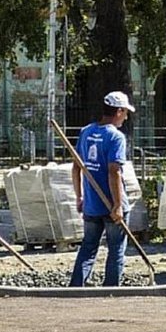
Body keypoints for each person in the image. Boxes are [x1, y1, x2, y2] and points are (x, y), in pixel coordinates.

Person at [70, 91, 135, 287]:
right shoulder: (116, 137)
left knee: (88, 247)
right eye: (125, 113)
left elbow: (76, 167)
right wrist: (116, 206)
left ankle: (76, 287)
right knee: (116, 249)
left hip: (91, 204)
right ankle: (111, 290)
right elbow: (114, 171)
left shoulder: (86, 132)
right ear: (119, 111)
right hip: (111, 205)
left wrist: (79, 197)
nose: (126, 117)